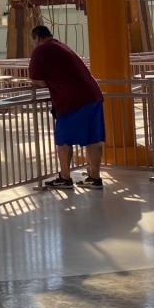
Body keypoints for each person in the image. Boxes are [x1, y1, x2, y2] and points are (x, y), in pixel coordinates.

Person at [28, 25, 104, 190]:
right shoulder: (62, 46)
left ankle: (65, 177)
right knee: (93, 138)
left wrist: (49, 83)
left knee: (63, 140)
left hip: (71, 100)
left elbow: (37, 80)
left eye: (31, 41)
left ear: (37, 38)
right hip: (93, 95)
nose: (32, 45)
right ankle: (95, 178)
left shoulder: (40, 51)